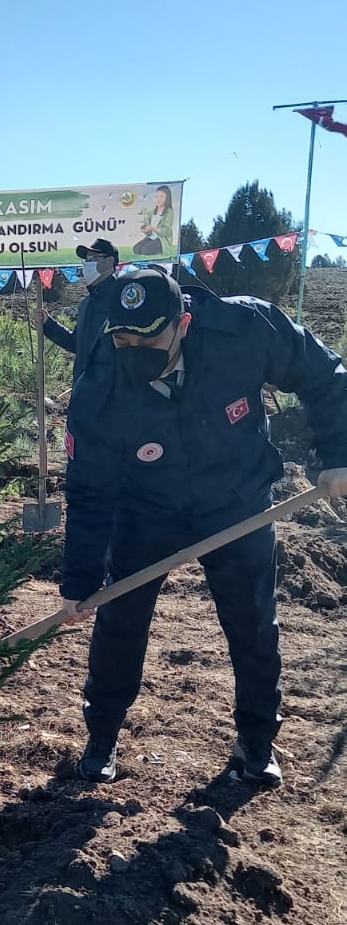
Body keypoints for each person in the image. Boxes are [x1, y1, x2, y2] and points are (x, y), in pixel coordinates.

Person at [59, 268, 347, 787]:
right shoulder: (100, 386)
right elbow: (89, 492)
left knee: (253, 624)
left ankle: (257, 742)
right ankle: (102, 736)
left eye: (151, 337)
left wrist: (340, 455)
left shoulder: (244, 328)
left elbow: (325, 375)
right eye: (125, 338)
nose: (136, 348)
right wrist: (79, 584)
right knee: (120, 619)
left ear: (184, 322)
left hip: (237, 500)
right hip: (144, 507)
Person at [41, 237, 118, 378]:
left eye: (93, 258)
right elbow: (76, 344)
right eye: (86, 260)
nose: (87, 264)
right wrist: (48, 324)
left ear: (109, 262)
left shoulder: (120, 300)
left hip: (110, 392)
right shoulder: (87, 304)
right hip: (84, 388)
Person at [133, 184, 175, 256]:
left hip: (162, 239)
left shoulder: (169, 211)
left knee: (145, 250)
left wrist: (152, 228)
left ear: (167, 197)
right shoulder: (152, 212)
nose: (158, 199)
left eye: (161, 196)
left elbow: (165, 231)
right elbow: (149, 229)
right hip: (152, 237)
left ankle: (160, 250)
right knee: (136, 249)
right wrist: (146, 229)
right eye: (157, 196)